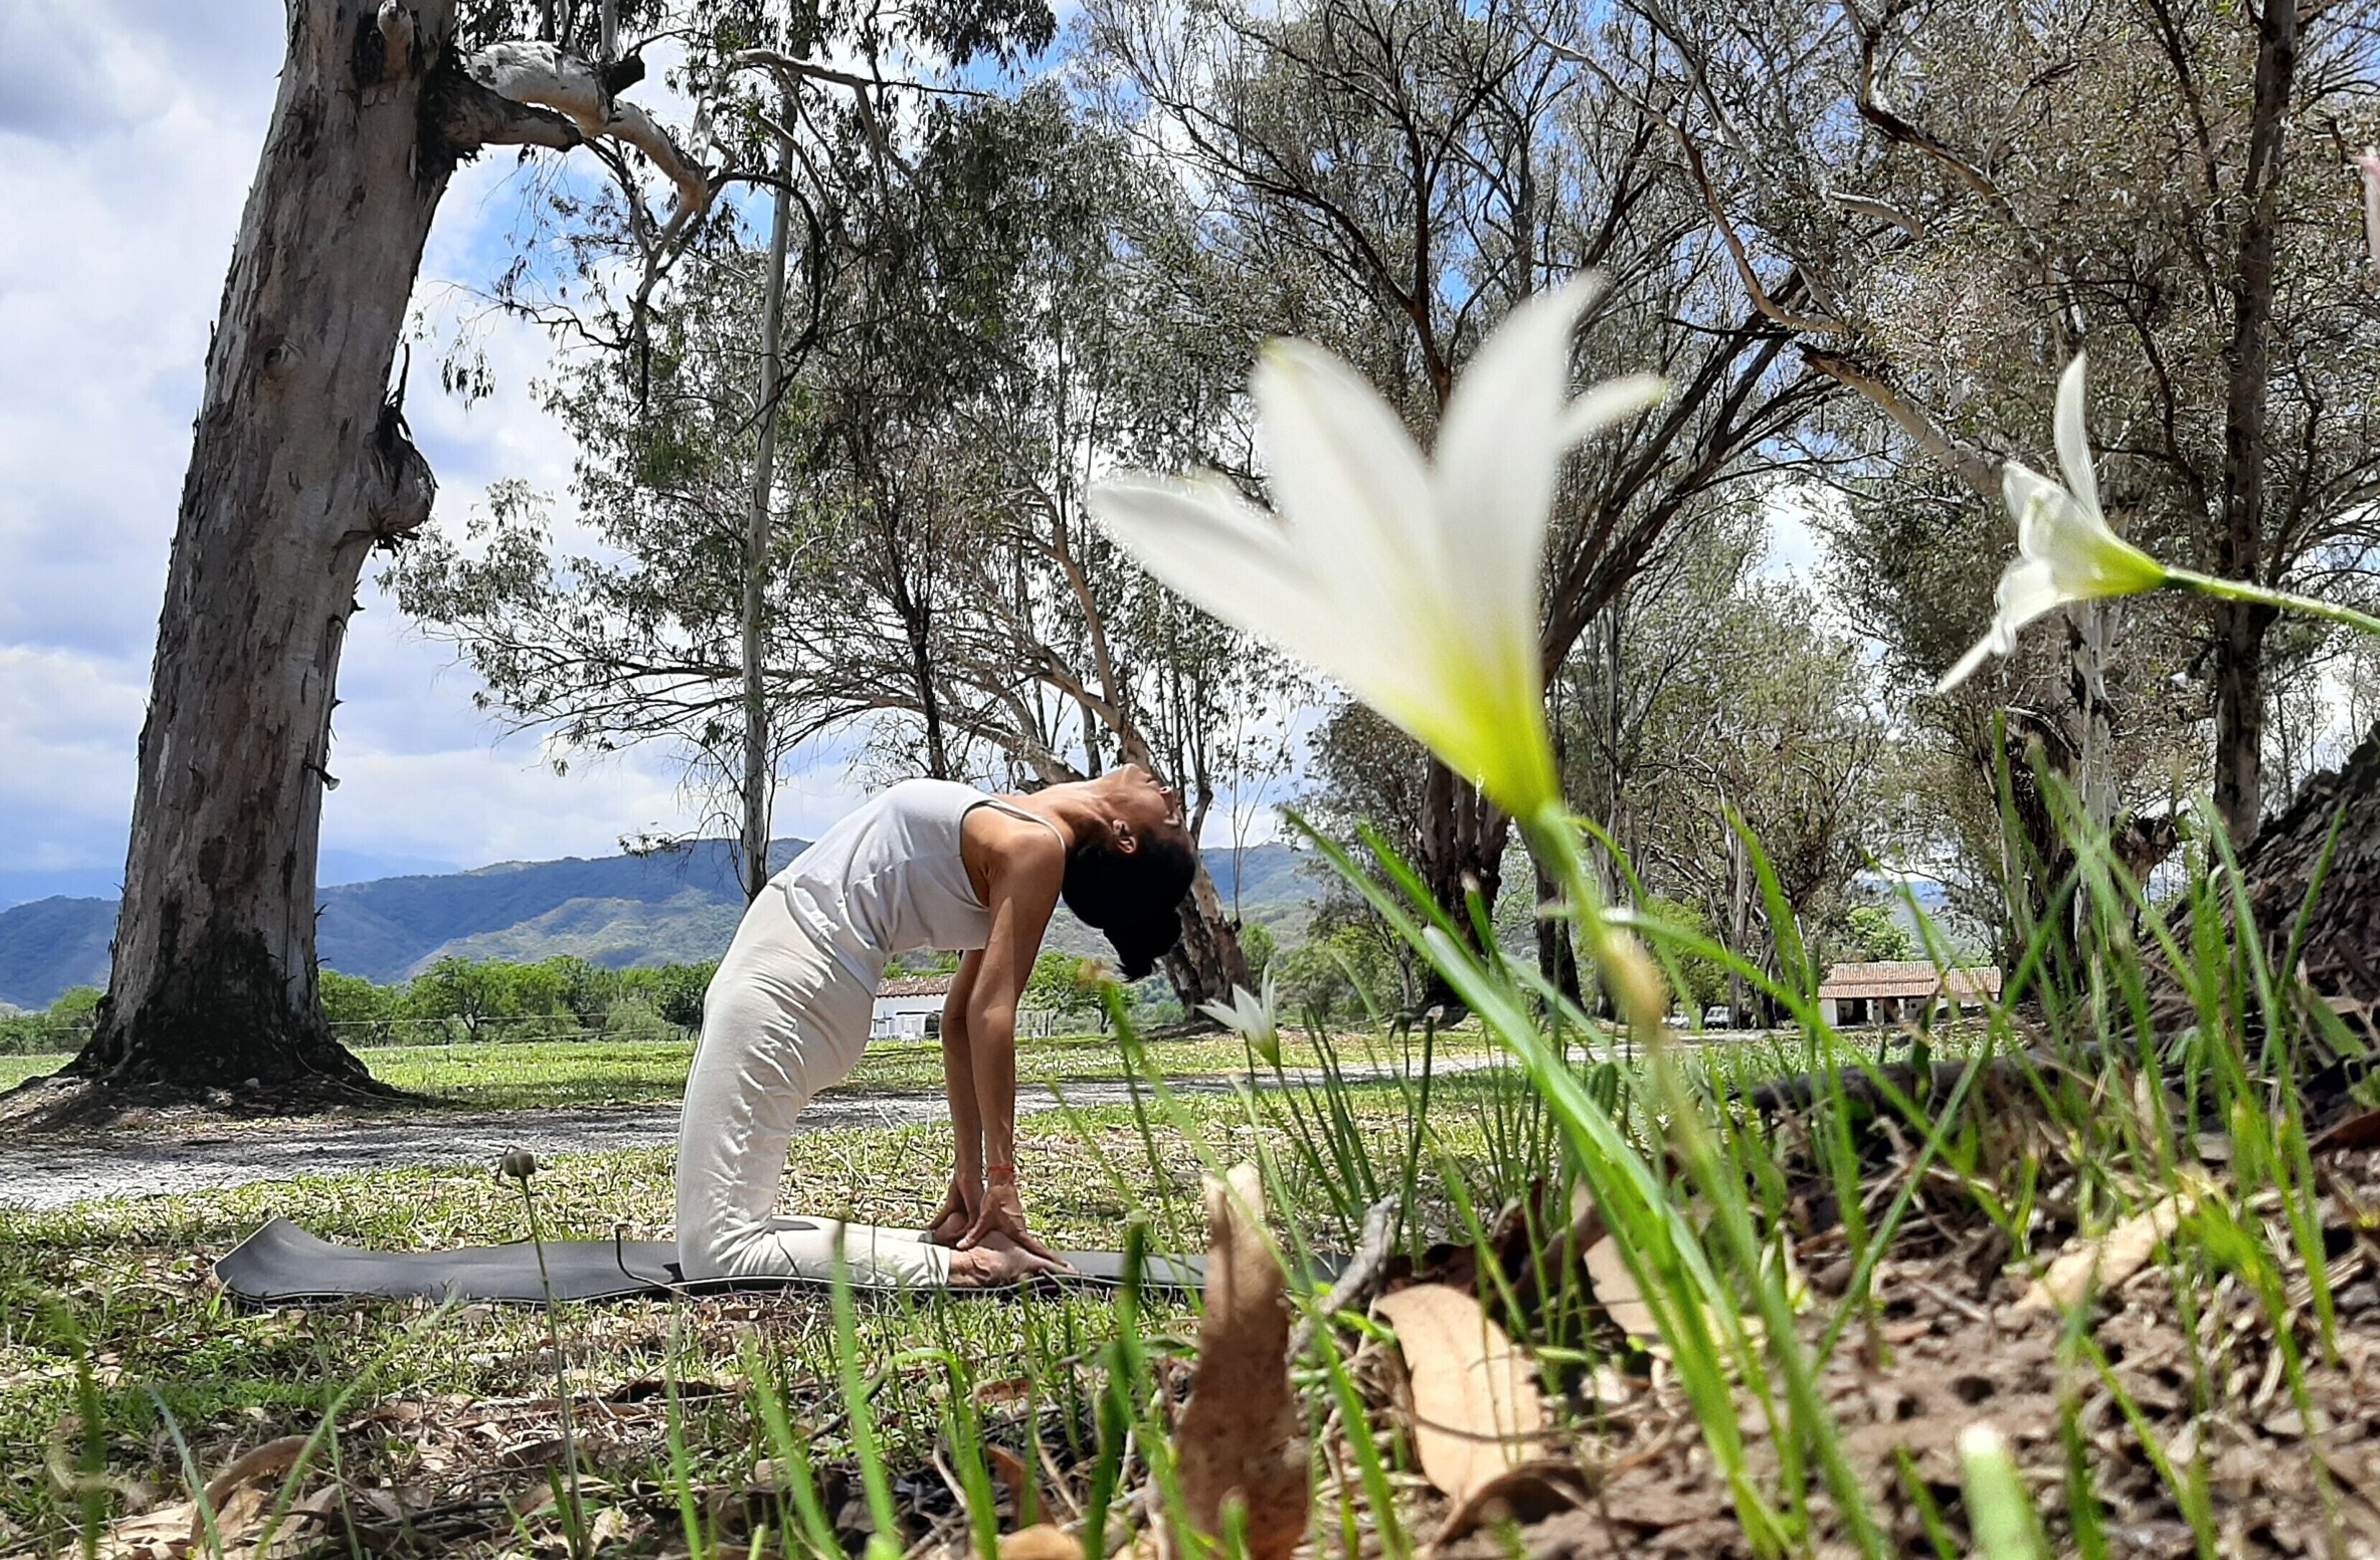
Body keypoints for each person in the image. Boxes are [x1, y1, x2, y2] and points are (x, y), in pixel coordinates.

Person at [674, 765, 1199, 1287]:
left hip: (791, 991)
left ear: (1125, 837)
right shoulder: (1017, 823)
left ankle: (972, 1268)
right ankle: (962, 1244)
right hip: (787, 977)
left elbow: (990, 1013)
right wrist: (969, 1178)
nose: (1171, 793)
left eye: (1172, 818)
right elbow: (957, 1022)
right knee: (724, 1234)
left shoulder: (1034, 847)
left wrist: (1002, 1180)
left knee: (717, 1252)